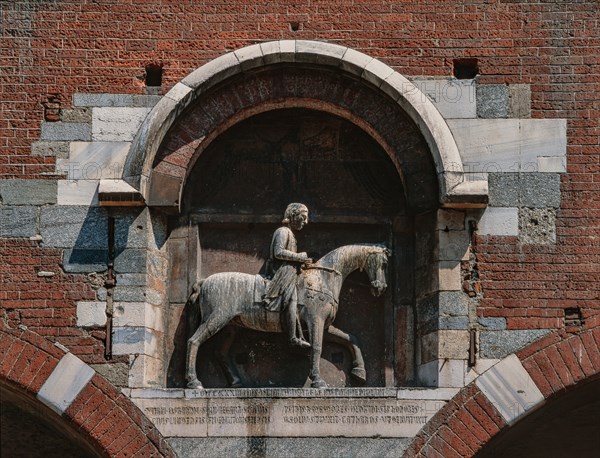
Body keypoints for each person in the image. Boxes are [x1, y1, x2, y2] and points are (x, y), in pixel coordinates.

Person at [263, 203, 312, 349]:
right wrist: (299, 256)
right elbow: (278, 252)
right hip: (281, 273)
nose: (305, 222)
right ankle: (293, 337)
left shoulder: (290, 234)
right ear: (292, 215)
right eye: (302, 218)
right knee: (292, 299)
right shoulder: (283, 231)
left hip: (289, 271)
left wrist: (302, 262)